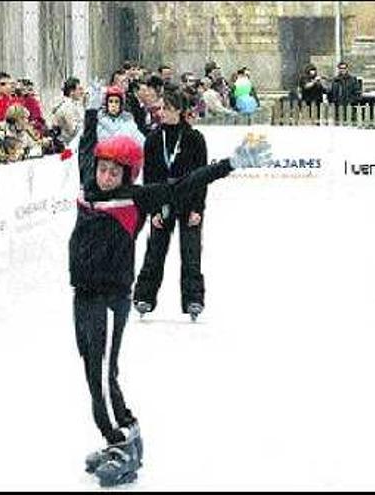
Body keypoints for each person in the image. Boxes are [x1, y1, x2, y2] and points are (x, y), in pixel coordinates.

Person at [69, 133, 271, 486]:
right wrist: (90, 112)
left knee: (102, 377)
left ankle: (123, 445)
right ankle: (123, 435)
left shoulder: (135, 200)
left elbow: (183, 185)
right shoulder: (87, 192)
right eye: (102, 170)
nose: (105, 177)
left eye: (114, 173)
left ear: (128, 175)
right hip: (82, 296)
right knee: (93, 372)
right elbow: (86, 151)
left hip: (109, 299)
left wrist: (230, 164)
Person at [131, 89, 210, 321]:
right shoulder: (154, 139)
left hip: (188, 202)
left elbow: (202, 176)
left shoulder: (195, 139)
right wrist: (153, 210)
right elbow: (149, 178)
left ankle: (193, 298)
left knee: (191, 253)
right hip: (163, 200)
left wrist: (198, 209)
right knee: (155, 251)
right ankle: (144, 296)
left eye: (166, 108)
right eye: (160, 108)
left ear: (178, 110)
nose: (161, 113)